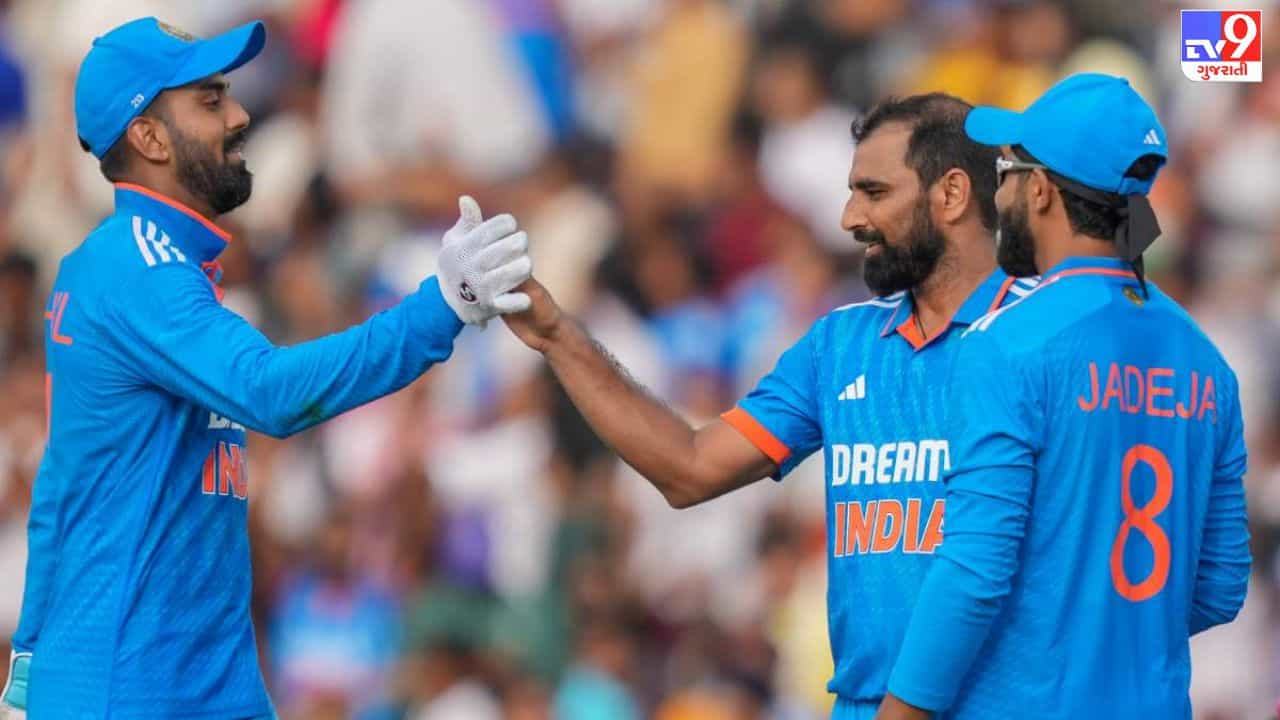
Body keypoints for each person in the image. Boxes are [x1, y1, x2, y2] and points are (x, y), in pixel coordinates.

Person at [0, 17, 532, 720]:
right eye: (211, 100)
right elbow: (270, 392)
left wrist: (28, 660)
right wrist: (442, 306)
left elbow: (62, 484)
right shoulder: (137, 267)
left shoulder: (133, 264)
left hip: (193, 683)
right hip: (132, 689)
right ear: (150, 137)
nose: (240, 115)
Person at [503, 93, 1038, 719]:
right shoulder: (839, 346)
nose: (850, 218)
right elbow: (689, 466)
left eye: (874, 192)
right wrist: (557, 336)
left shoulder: (1047, 337)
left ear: (951, 194)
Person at [875, 74, 1251, 720]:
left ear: (1041, 189)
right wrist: (1105, 634)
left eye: (1007, 172)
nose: (999, 192)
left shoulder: (1007, 342)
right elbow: (1219, 585)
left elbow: (974, 571)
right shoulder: (1206, 360)